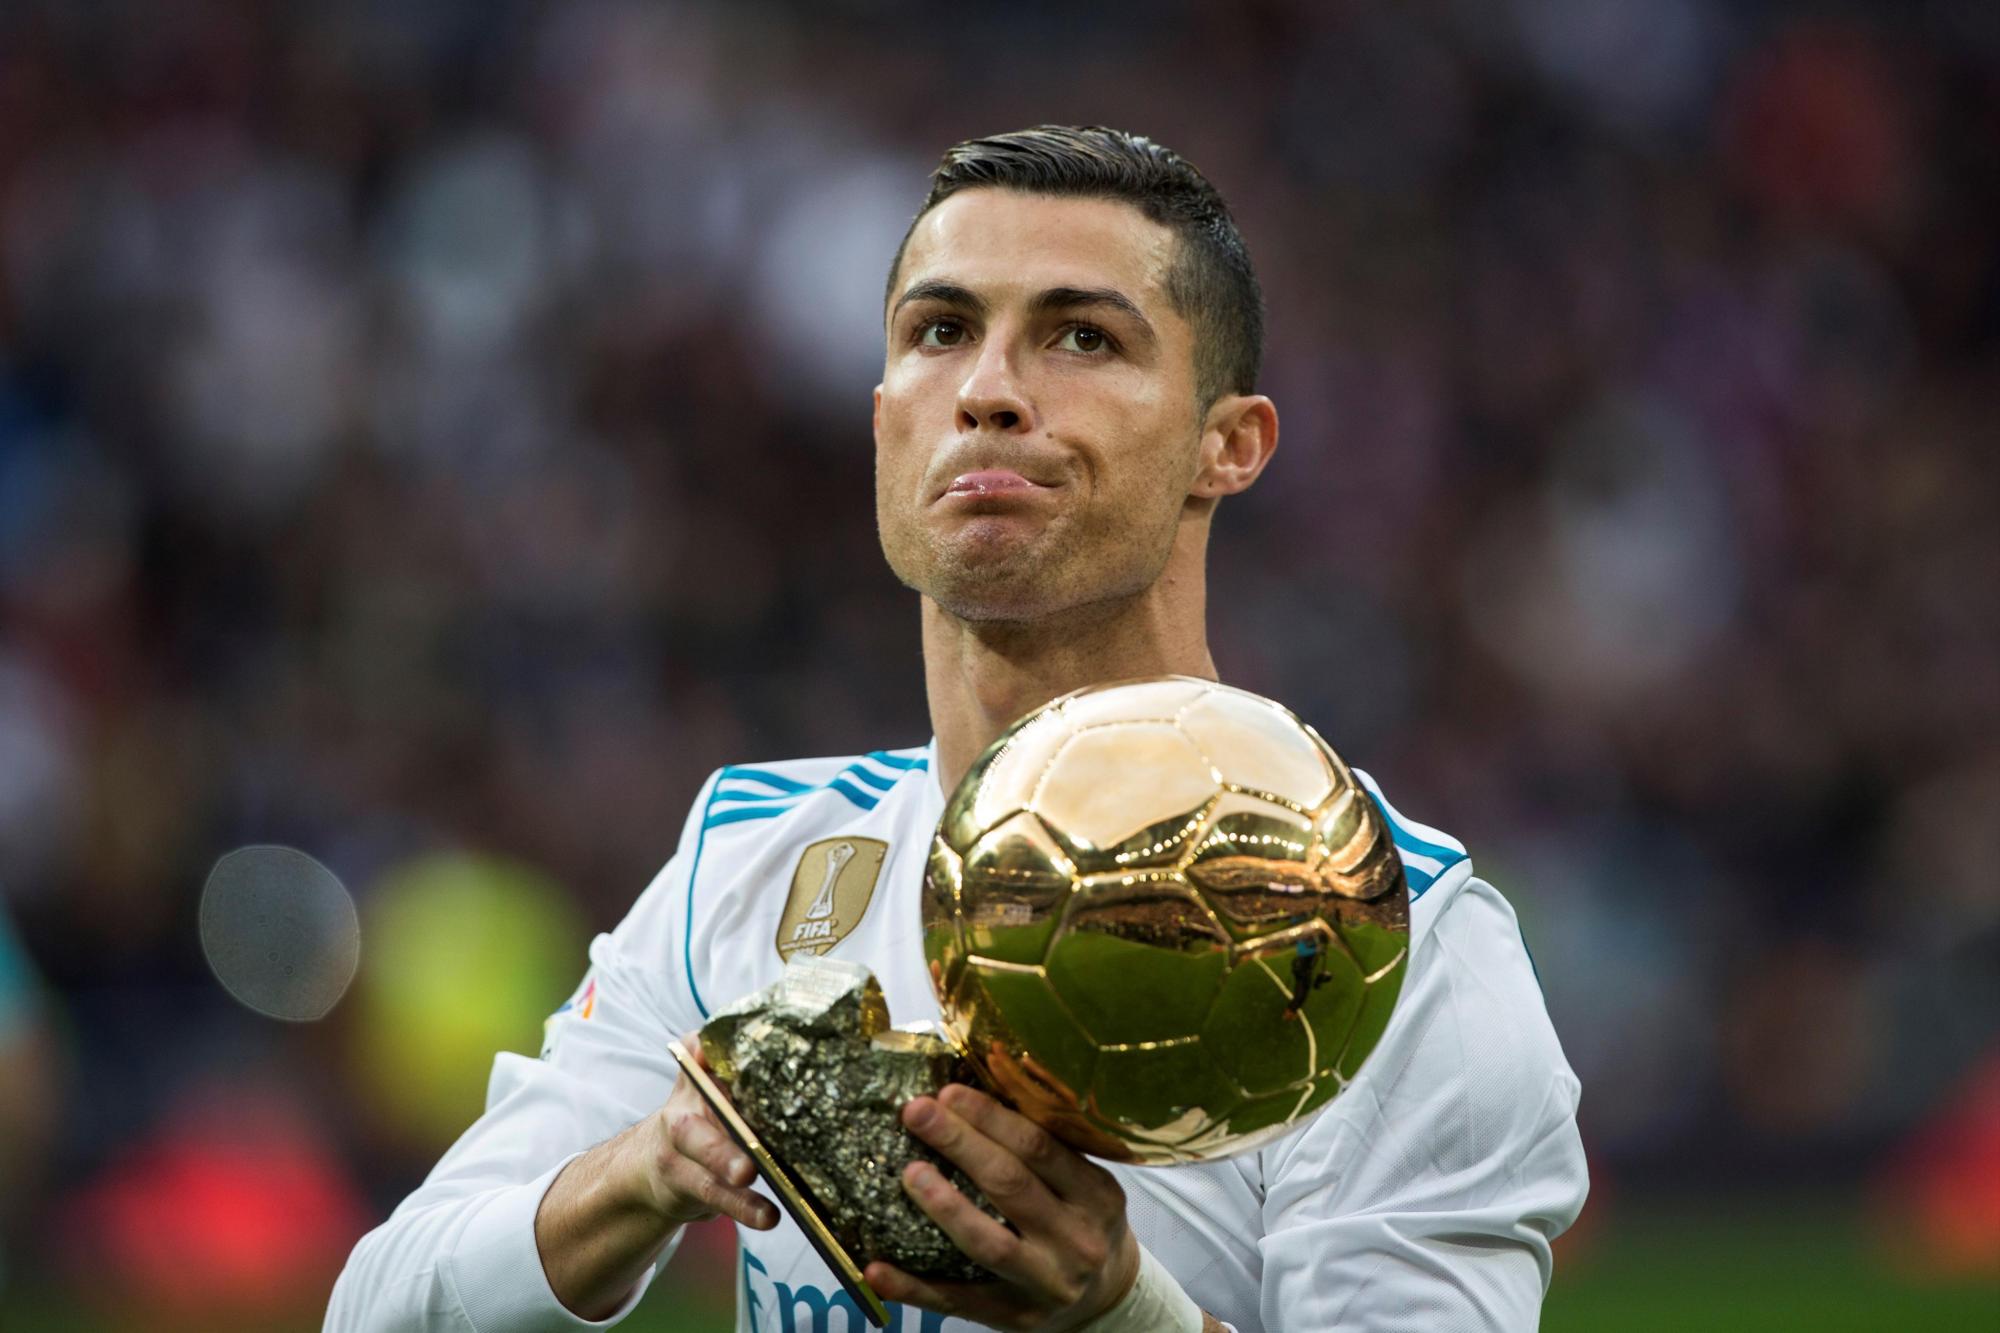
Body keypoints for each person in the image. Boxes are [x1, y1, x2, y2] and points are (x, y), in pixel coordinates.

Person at [328, 125, 1586, 1333]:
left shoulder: (1388, 937)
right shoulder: (747, 860)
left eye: (1082, 337)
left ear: (1228, 445)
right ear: (885, 420)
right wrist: (650, 1163)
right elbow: (377, 1305)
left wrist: (1116, 1316)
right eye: (940, 331)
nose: (986, 391)